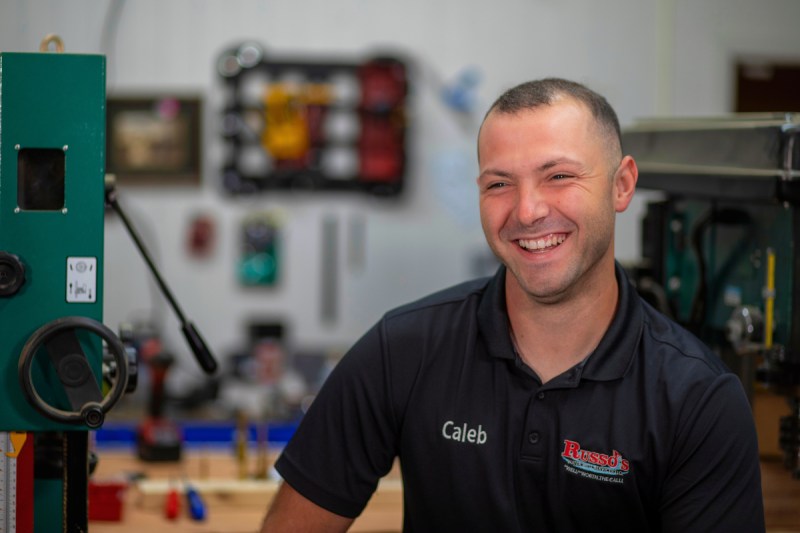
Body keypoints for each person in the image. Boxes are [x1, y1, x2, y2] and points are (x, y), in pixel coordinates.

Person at [261, 79, 765, 532]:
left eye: (558, 176)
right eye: (499, 184)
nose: (527, 211)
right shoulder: (402, 350)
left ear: (622, 184)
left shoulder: (699, 400)